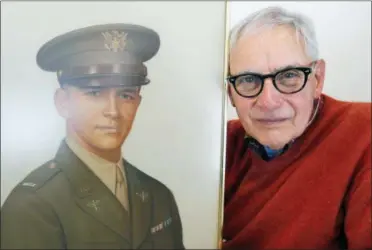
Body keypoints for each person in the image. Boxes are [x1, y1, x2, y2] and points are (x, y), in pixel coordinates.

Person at [1, 23, 185, 249]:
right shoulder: (32, 206)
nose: (113, 111)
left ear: (138, 102)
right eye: (95, 93)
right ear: (63, 102)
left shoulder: (158, 195)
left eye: (125, 95)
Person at [222, 6, 371, 250]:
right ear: (230, 92)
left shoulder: (364, 133)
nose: (268, 101)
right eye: (248, 80)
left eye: (289, 76)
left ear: (317, 79)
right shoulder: (219, 145)